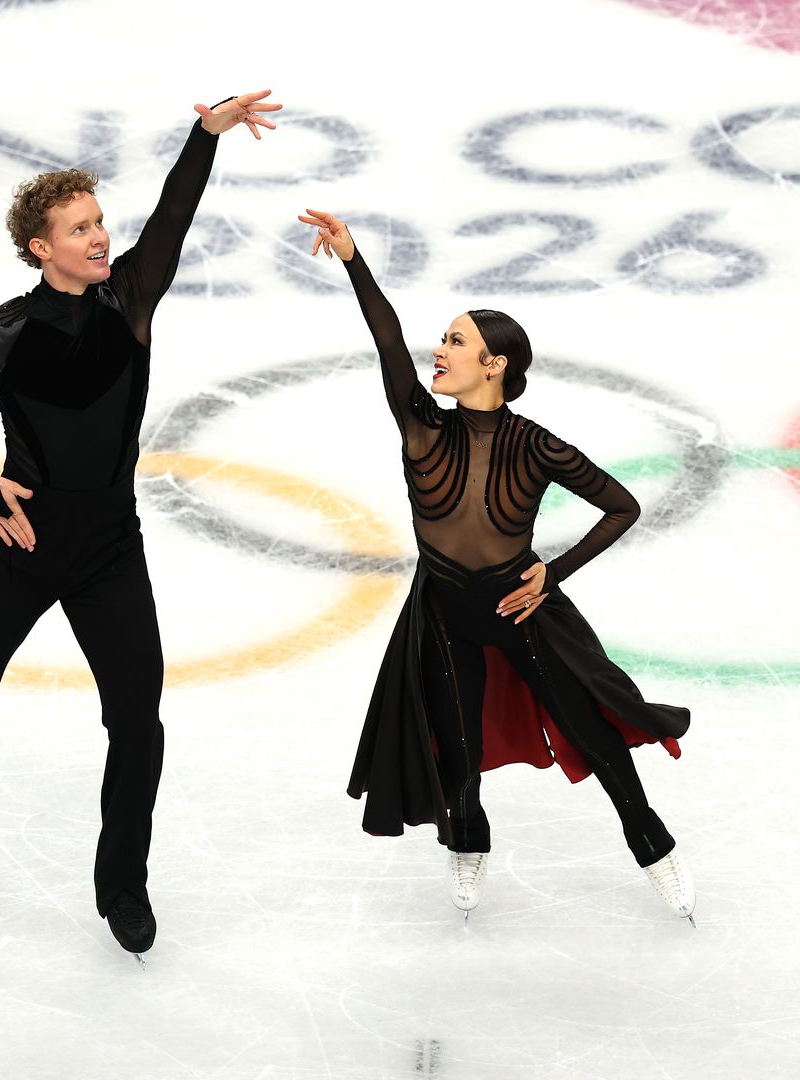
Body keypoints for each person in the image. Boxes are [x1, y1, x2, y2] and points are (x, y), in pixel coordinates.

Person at [0, 91, 282, 960]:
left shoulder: (131, 301)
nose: (99, 237)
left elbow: (175, 214)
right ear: (42, 248)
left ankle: (122, 886)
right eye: (79, 229)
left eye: (98, 222)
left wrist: (206, 133)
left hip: (111, 548)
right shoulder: (2, 332)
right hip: (23, 550)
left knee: (137, 718)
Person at [297, 210, 696, 921]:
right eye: (444, 338)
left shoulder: (537, 445)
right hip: (445, 610)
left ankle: (654, 846)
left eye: (457, 341)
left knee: (595, 735)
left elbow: (622, 505)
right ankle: (468, 844)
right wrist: (355, 260)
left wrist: (555, 572)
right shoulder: (422, 425)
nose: (439, 351)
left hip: (523, 607)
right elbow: (385, 338)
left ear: (495, 364)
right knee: (456, 745)